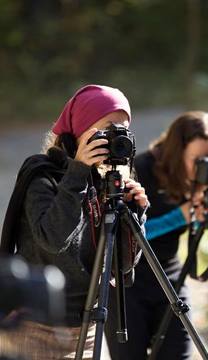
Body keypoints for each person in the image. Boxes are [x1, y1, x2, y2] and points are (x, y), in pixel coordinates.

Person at [0, 84, 148, 360]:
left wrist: (135, 214)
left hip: (89, 327)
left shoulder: (107, 183)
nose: (116, 136)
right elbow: (54, 240)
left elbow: (122, 267)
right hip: (35, 329)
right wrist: (78, 173)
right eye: (108, 128)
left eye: (123, 129)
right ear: (80, 129)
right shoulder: (43, 175)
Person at [105, 111, 208, 359]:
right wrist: (181, 216)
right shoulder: (142, 169)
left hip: (169, 276)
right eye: (198, 159)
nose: (204, 165)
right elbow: (126, 235)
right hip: (129, 283)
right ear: (177, 152)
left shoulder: (199, 178)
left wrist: (201, 217)